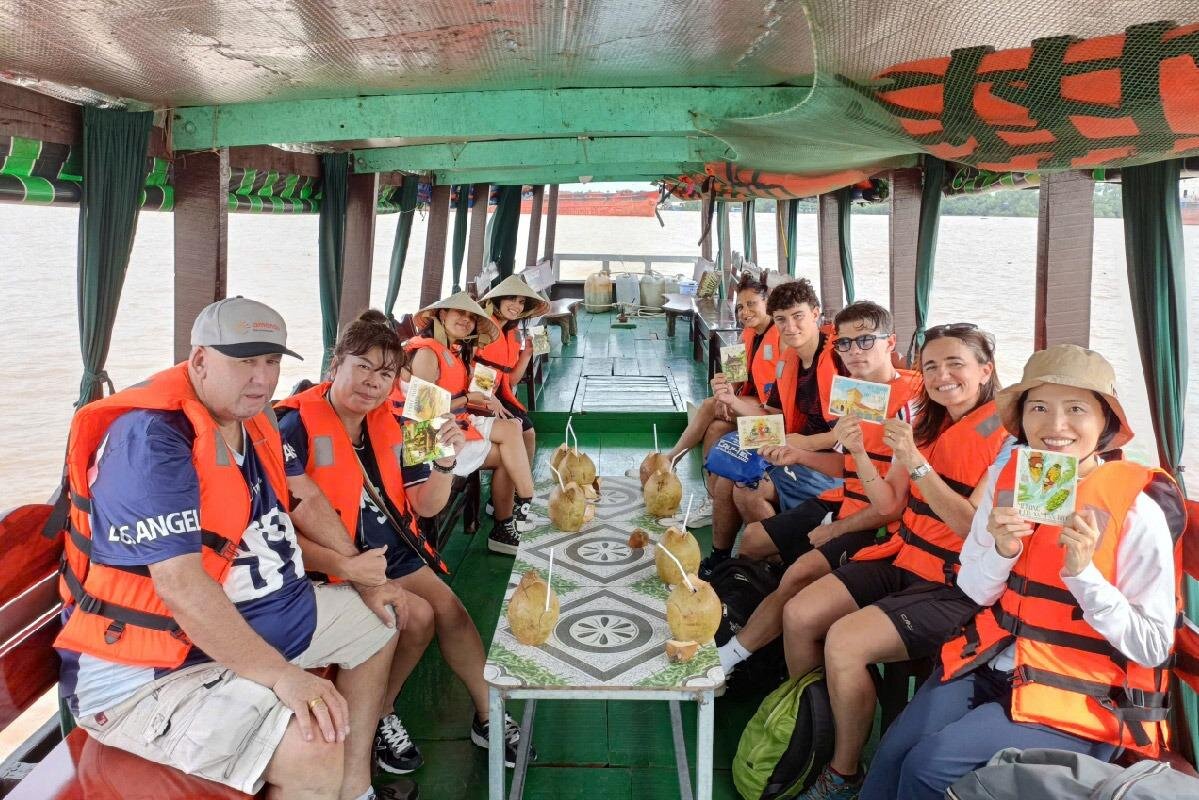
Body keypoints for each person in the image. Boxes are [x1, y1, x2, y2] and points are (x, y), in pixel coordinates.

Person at [55, 297, 412, 800]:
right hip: (158, 668)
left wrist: (362, 577)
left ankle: (355, 790)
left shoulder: (254, 418)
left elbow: (304, 498)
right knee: (314, 741)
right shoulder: (153, 442)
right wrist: (283, 677)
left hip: (256, 617)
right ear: (200, 360)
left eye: (271, 361)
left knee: (382, 622)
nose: (261, 379)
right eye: (244, 361)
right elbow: (181, 585)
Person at [859, 344, 1186, 800]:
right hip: (991, 659)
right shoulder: (1007, 482)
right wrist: (1002, 549)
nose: (1055, 426)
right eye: (1039, 408)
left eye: (1076, 409)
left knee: (928, 766)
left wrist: (1085, 576)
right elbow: (975, 590)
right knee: (893, 752)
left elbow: (1152, 646)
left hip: (1082, 694)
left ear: (1105, 422)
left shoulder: (1137, 510)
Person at [278, 309, 532, 775]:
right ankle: (383, 712)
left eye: (385, 373)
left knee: (452, 612)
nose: (372, 382)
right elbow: (281, 524)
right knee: (415, 616)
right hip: (330, 563)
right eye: (362, 366)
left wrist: (444, 460)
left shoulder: (410, 417)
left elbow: (428, 507)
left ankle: (489, 717)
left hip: (394, 550)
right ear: (335, 364)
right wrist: (347, 564)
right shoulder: (293, 428)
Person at [784, 324, 1008, 800]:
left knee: (844, 642)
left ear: (985, 370)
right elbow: (888, 500)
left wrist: (914, 459)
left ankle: (844, 773)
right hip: (905, 555)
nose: (942, 376)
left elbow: (971, 528)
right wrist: (860, 452)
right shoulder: (926, 423)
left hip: (953, 582)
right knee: (800, 613)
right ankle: (810, 729)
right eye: (931, 366)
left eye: (955, 364)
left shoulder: (1006, 439)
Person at [716, 301, 921, 677]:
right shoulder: (856, 395)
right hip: (846, 499)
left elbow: (893, 505)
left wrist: (835, 529)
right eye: (845, 344)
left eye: (865, 340)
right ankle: (761, 632)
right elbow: (846, 465)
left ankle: (737, 655)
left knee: (799, 575)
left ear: (890, 342)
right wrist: (798, 455)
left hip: (879, 523)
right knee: (754, 541)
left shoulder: (909, 406)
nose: (853, 351)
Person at [699, 278, 843, 578]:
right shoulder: (789, 360)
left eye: (798, 316)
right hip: (792, 448)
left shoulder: (838, 363)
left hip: (830, 464)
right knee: (727, 475)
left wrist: (799, 444)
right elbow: (773, 417)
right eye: (781, 320)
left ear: (815, 314)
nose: (790, 327)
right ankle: (720, 557)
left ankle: (781, 568)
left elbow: (847, 436)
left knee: (747, 489)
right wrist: (730, 400)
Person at [400, 291, 538, 555]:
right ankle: (514, 515)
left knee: (513, 429)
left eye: (471, 317)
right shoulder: (428, 353)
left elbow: (468, 384)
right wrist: (468, 399)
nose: (466, 320)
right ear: (442, 314)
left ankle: (520, 508)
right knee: (508, 453)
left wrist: (484, 396)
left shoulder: (452, 348)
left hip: (450, 425)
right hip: (423, 441)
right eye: (459, 313)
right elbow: (423, 416)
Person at [651, 272, 780, 528]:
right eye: (740, 307)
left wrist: (726, 400)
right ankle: (712, 500)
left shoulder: (781, 336)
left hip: (773, 421)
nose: (745, 312)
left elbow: (777, 402)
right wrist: (727, 392)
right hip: (752, 407)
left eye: (752, 304)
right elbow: (734, 373)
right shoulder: (748, 333)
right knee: (715, 428)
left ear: (767, 303)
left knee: (710, 405)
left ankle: (671, 459)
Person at [476, 274, 550, 472]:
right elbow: (468, 368)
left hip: (496, 393)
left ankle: (523, 482)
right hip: (476, 394)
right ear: (497, 300)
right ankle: (520, 481)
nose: (517, 306)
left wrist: (527, 353)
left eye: (521, 302)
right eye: (511, 299)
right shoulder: (481, 327)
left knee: (528, 432)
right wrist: (489, 397)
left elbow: (511, 380)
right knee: (518, 434)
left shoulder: (513, 331)